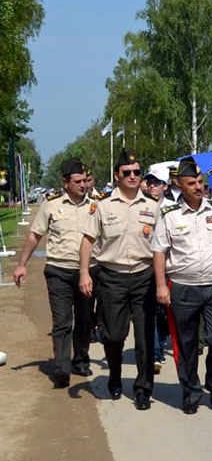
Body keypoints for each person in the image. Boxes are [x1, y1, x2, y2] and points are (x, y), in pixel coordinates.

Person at [151, 156, 212, 414]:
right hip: (183, 287)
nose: (198, 187)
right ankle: (191, 391)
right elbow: (159, 252)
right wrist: (161, 286)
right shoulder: (168, 216)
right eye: (191, 182)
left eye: (200, 182)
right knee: (186, 344)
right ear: (178, 185)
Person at [78, 150, 158, 408]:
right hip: (111, 277)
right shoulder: (102, 206)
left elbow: (162, 246)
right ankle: (114, 375)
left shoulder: (152, 206)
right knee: (113, 335)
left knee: (145, 338)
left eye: (137, 172)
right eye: (127, 173)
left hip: (144, 276)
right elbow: (88, 240)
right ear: (117, 175)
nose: (133, 176)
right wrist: (83, 273)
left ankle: (143, 388)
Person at [13, 157, 94, 388]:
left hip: (88, 271)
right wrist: (21, 264)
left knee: (85, 320)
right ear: (65, 182)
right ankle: (61, 369)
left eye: (84, 181)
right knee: (62, 321)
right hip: (59, 270)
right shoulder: (51, 205)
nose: (82, 185)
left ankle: (80, 359)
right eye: (77, 181)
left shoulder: (96, 205)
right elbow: (34, 235)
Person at [143, 164, 172, 374]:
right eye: (150, 182)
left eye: (156, 183)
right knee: (151, 312)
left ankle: (160, 344)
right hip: (147, 267)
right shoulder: (142, 205)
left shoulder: (174, 208)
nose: (152, 186)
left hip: (171, 267)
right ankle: (154, 353)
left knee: (164, 314)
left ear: (166, 186)